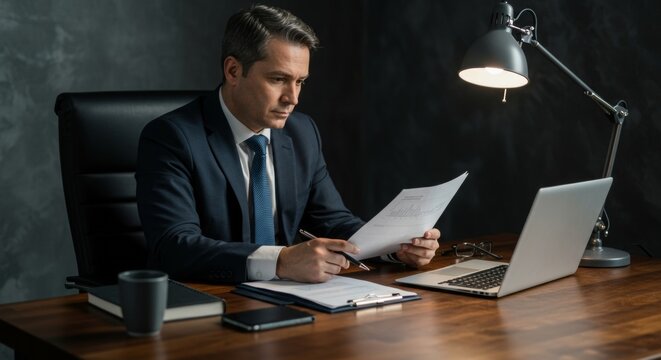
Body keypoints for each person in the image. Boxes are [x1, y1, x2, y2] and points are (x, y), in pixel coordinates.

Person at [136, 4, 440, 284]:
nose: (292, 99)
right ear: (233, 71)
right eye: (278, 79)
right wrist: (280, 261)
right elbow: (173, 246)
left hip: (291, 300)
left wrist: (395, 247)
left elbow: (332, 220)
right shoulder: (171, 137)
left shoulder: (302, 132)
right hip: (209, 304)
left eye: (300, 81)